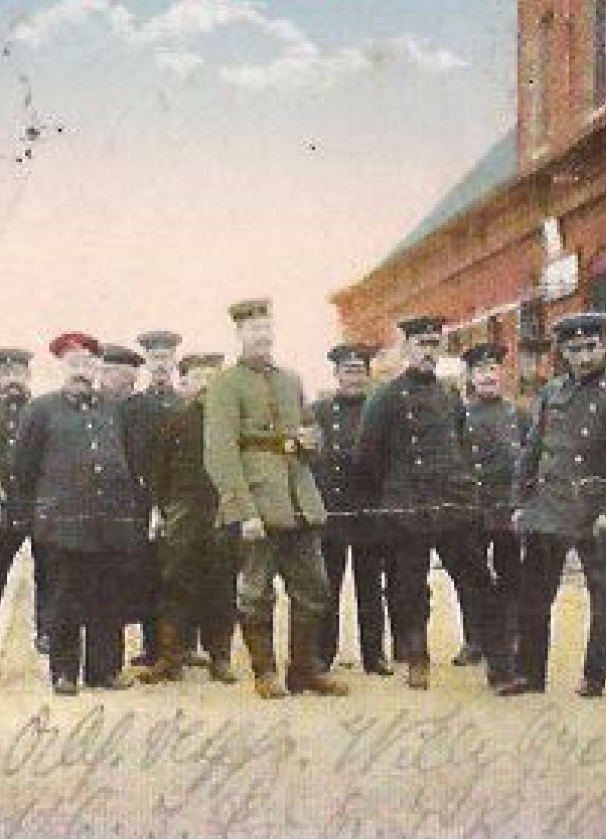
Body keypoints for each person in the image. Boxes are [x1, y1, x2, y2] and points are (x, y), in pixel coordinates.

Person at [205, 298, 348, 698]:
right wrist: (243, 510)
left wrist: (309, 439)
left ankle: (303, 670)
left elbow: (309, 431)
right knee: (255, 593)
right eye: (254, 330)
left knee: (315, 588)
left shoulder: (290, 379)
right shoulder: (225, 384)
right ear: (239, 335)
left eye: (267, 329)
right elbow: (219, 452)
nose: (262, 336)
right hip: (258, 506)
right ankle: (264, 672)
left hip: (299, 501)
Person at [501, 312, 606, 698]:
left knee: (603, 595)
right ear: (564, 352)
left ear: (604, 347)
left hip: (594, 511)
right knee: (534, 596)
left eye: (590, 347)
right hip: (548, 507)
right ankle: (530, 674)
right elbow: (531, 451)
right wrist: (520, 501)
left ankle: (595, 674)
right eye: (575, 349)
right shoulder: (552, 393)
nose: (584, 356)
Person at [356, 315, 490, 690]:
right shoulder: (385, 397)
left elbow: (461, 445)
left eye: (435, 345)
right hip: (408, 503)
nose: (428, 352)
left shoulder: (449, 394)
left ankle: (481, 643)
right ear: (406, 349)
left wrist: (464, 489)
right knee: (409, 584)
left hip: (450, 501)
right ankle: (417, 656)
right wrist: (393, 494)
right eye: (421, 345)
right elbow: (368, 454)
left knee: (473, 573)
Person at [11, 332, 142, 693]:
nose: (81, 371)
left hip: (108, 522)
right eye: (73, 364)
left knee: (107, 600)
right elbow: (22, 468)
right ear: (59, 368)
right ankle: (65, 673)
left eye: (87, 364)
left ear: (97, 368)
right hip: (62, 525)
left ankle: (105, 670)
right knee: (64, 601)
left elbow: (127, 462)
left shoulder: (112, 409)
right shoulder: (40, 410)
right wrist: (29, 518)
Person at [142, 352, 240, 683]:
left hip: (223, 511)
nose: (205, 385)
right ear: (186, 382)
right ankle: (171, 657)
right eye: (199, 378)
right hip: (183, 513)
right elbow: (157, 471)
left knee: (222, 586)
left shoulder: (232, 420)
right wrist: (158, 509)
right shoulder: (174, 420)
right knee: (175, 582)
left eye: (212, 378)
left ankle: (220, 658)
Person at [310, 343, 396, 675]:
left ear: (368, 374)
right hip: (332, 512)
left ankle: (374, 656)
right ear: (336, 375)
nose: (354, 378)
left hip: (369, 512)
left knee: (370, 588)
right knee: (327, 587)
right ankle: (323, 654)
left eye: (359, 371)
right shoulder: (318, 411)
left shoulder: (379, 410)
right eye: (348, 371)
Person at [459, 341, 527, 688]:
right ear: (470, 377)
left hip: (508, 509)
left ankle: (510, 635)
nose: (488, 376)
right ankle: (476, 639)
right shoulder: (461, 416)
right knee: (473, 579)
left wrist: (523, 503)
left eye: (493, 369)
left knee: (510, 574)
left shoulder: (518, 415)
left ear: (502, 373)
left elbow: (529, 462)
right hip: (473, 508)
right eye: (480, 370)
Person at [121, 331, 186, 667]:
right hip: (146, 502)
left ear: (175, 362)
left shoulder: (185, 404)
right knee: (150, 575)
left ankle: (185, 647)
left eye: (166, 358)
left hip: (183, 503)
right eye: (155, 359)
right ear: (147, 362)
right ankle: (153, 647)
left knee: (184, 573)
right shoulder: (134, 407)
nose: (161, 365)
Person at [0, 347, 40, 655]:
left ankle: (47, 633)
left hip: (36, 505)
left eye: (18, 373)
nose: (13, 380)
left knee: (48, 572)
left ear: (27, 376)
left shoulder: (39, 410)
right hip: (1, 507)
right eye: (5, 373)